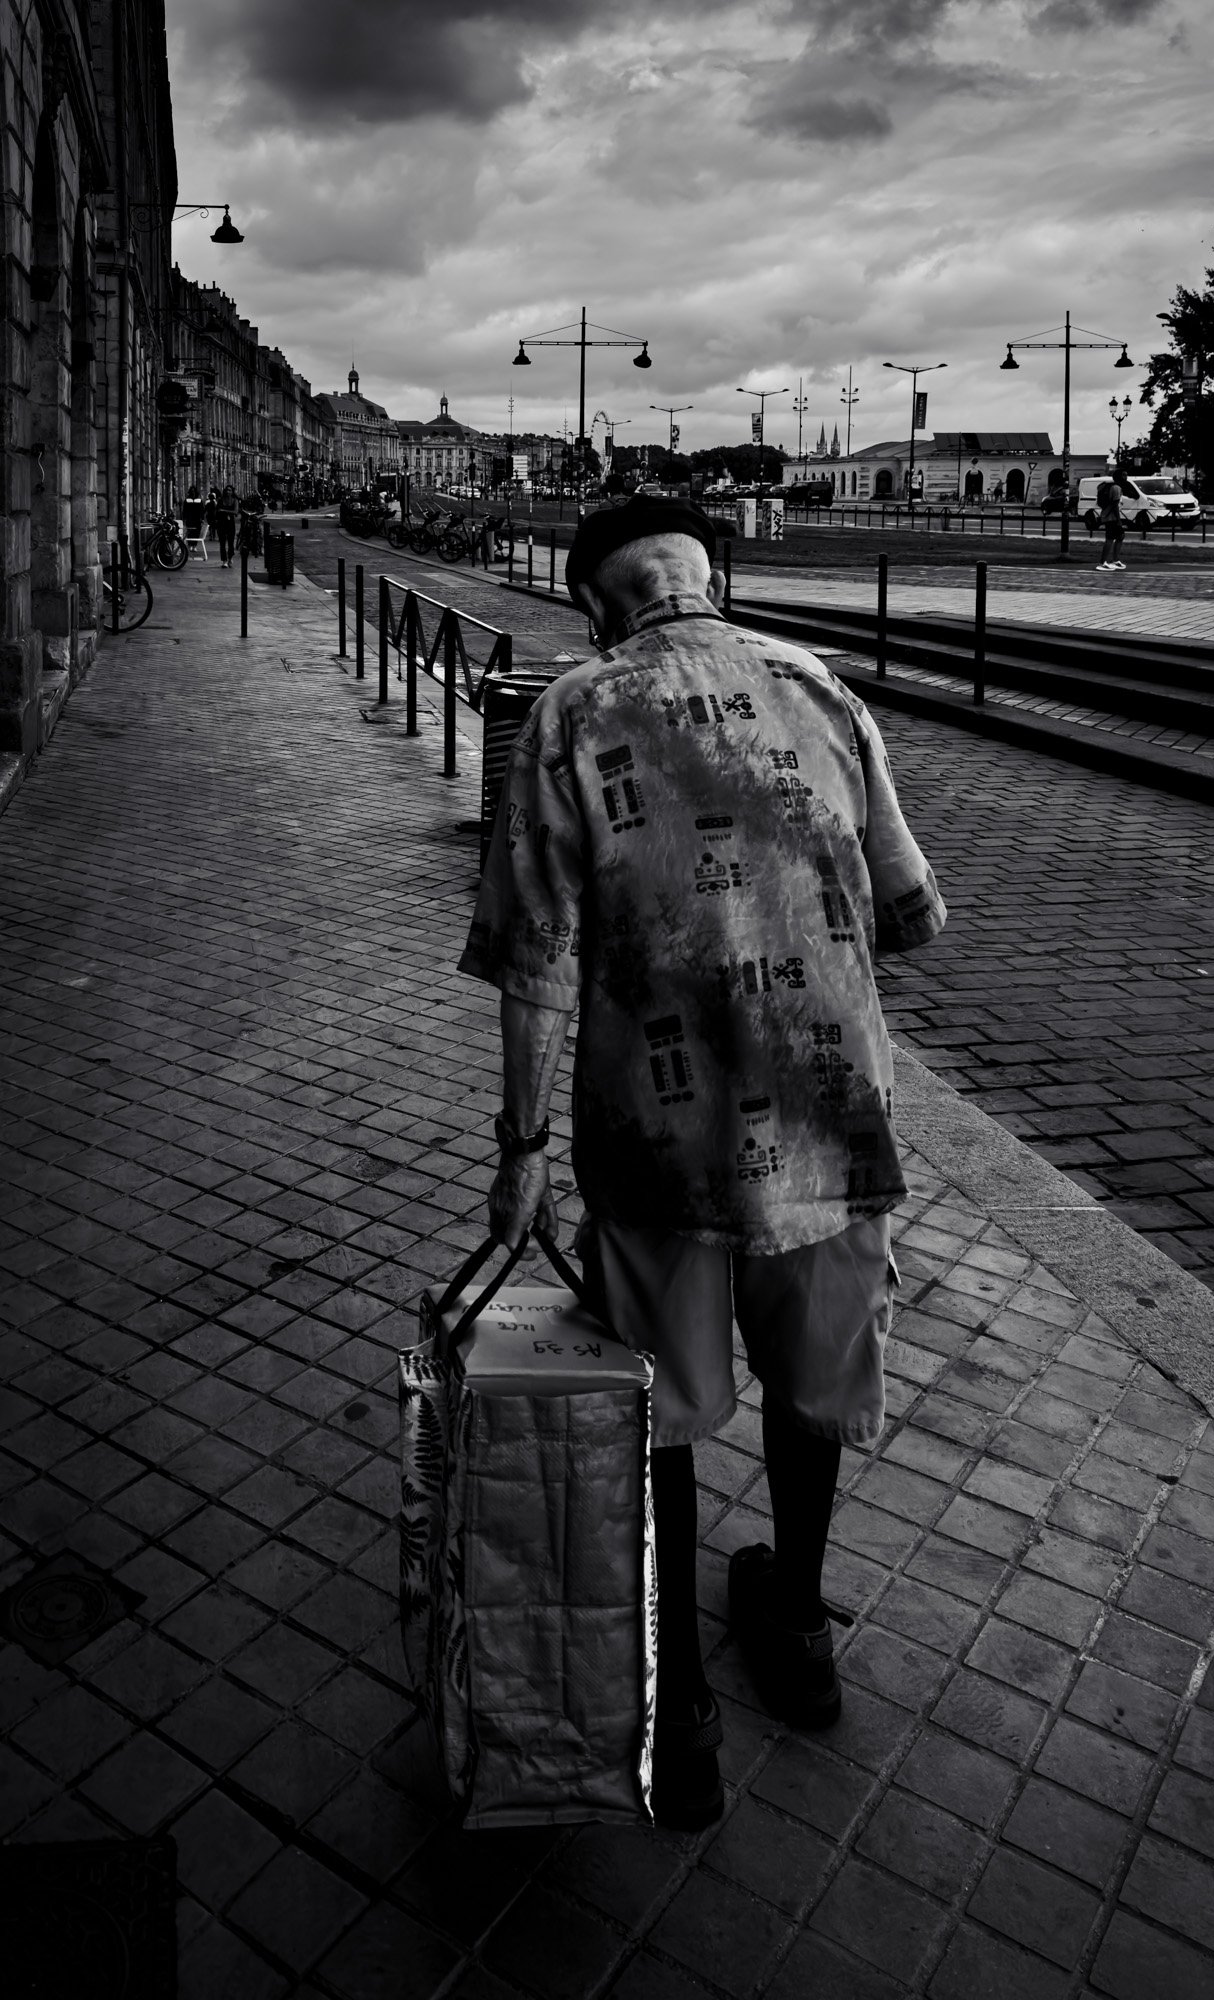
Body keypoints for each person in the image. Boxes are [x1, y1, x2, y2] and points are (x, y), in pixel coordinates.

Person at [460, 495, 946, 1830]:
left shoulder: (570, 714)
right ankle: (796, 1626)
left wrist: (521, 1154)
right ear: (715, 577)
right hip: (832, 1132)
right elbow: (913, 913)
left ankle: (674, 1727)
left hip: (651, 1145)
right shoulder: (823, 694)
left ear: (600, 605)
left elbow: (532, 967)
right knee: (812, 1390)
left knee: (660, 1412)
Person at [1098, 471, 1126, 571]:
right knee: (1110, 538)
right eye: (1124, 475)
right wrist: (1118, 520)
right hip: (1111, 517)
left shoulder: (1115, 487)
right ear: (1118, 477)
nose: (1126, 477)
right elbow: (1115, 505)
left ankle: (1115, 560)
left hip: (1110, 516)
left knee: (1120, 535)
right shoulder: (1116, 488)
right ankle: (1102, 562)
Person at [211, 484, 238, 566]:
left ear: (232, 491)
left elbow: (235, 512)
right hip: (221, 523)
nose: (228, 491)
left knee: (230, 542)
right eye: (227, 490)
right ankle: (224, 560)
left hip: (230, 523)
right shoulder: (220, 500)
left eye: (230, 490)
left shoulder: (234, 500)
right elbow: (216, 511)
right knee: (222, 543)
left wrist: (223, 511)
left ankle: (230, 557)